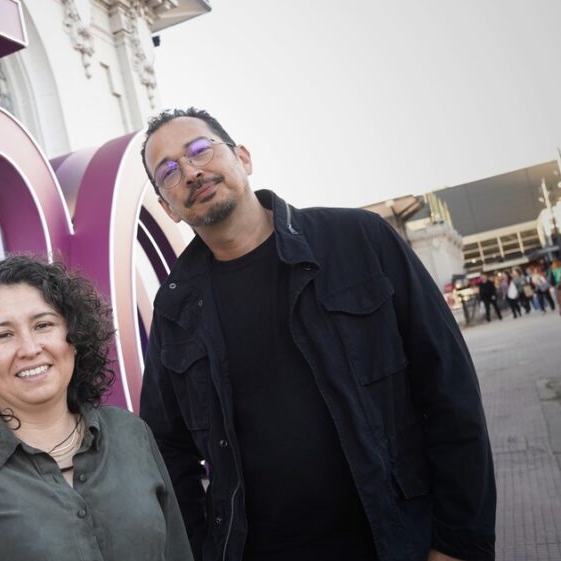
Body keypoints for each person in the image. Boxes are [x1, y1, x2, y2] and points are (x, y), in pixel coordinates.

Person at [137, 108, 495, 561]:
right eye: (168, 171)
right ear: (168, 207)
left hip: (398, 541)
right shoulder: (175, 308)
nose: (190, 171)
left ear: (243, 158)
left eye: (200, 149)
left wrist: (459, 542)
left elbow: (450, 391)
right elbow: (165, 451)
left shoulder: (360, 240)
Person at [0, 255, 193, 561]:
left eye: (43, 325)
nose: (30, 349)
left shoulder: (131, 433)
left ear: (74, 338)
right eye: (4, 335)